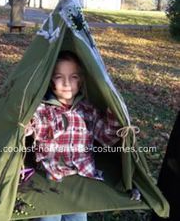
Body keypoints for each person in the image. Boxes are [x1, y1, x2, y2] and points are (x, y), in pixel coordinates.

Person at [26, 50, 121, 221]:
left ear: (81, 81)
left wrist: (115, 113)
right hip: (51, 175)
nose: (67, 83)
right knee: (48, 217)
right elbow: (36, 126)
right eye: (59, 77)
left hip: (81, 176)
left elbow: (107, 137)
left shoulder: (88, 110)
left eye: (74, 76)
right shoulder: (44, 110)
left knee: (77, 217)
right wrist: (28, 127)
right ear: (50, 80)